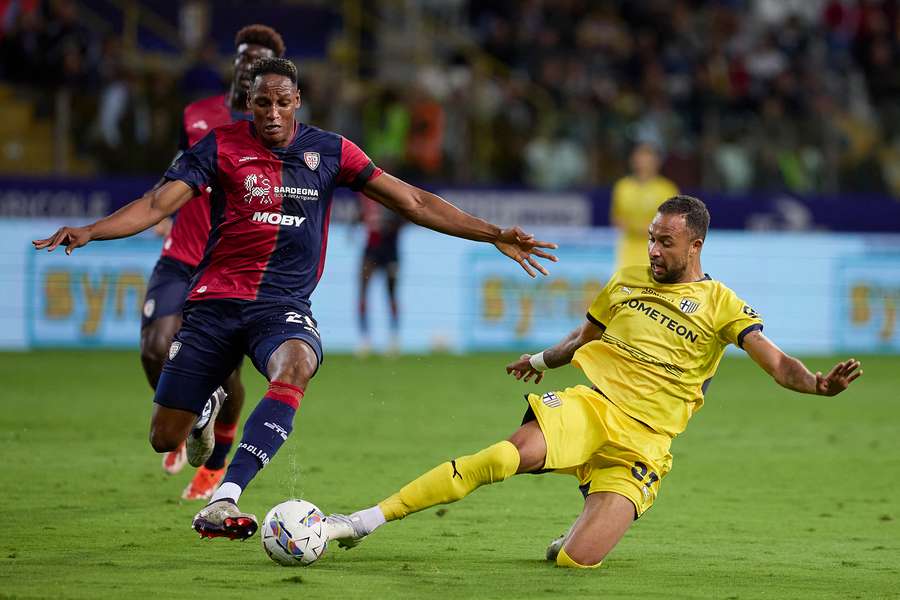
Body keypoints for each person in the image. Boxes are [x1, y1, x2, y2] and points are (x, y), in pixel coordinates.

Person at [33, 57, 558, 542]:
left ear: (298, 100)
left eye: (283, 102)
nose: (273, 113)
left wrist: (492, 233)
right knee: (162, 437)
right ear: (250, 104)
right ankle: (201, 415)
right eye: (263, 102)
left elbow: (413, 200)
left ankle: (225, 497)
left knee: (296, 364)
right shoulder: (220, 147)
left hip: (279, 307)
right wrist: (92, 230)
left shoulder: (330, 152)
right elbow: (156, 203)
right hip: (214, 304)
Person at [324, 195, 862, 568]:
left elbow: (774, 361)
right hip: (592, 406)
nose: (654, 250)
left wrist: (816, 384)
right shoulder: (625, 283)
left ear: (695, 246)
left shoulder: (722, 304)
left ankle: (576, 530)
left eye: (666, 243)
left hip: (647, 443)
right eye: (652, 239)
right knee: (505, 456)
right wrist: (539, 359)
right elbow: (582, 339)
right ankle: (365, 520)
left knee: (574, 562)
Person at [142, 25, 286, 502]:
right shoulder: (197, 114)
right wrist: (159, 204)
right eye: (244, 56)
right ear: (236, 62)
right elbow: (178, 163)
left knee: (229, 376)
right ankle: (190, 412)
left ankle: (215, 464)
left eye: (260, 59)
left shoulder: (274, 129)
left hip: (226, 267)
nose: (249, 64)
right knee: (154, 346)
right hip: (181, 251)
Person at [610, 143, 678, 270]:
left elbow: (673, 223)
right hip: (628, 249)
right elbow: (616, 217)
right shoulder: (622, 187)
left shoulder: (667, 189)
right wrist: (632, 227)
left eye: (647, 158)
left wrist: (650, 229)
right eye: (639, 157)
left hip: (658, 249)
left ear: (656, 162)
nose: (642, 162)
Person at [357, 194, 404, 355]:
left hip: (390, 252)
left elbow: (403, 220)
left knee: (391, 294)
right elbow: (361, 216)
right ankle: (365, 339)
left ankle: (393, 339)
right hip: (371, 252)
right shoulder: (365, 194)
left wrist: (387, 224)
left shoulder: (394, 195)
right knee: (363, 293)